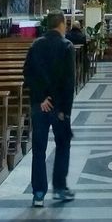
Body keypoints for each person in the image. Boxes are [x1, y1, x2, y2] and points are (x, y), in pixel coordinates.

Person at [23, 11, 76, 207]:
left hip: (40, 106)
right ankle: (60, 189)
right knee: (62, 146)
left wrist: (40, 98)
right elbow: (69, 82)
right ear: (61, 24)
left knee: (38, 149)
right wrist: (64, 109)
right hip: (59, 108)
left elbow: (27, 73)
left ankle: (38, 193)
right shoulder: (66, 46)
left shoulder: (36, 45)